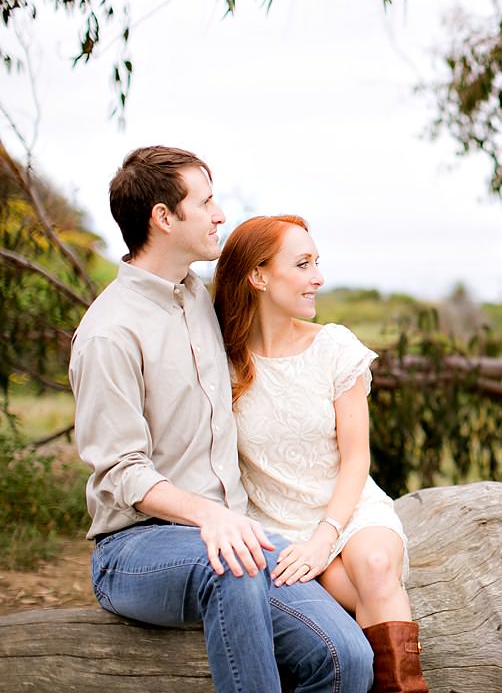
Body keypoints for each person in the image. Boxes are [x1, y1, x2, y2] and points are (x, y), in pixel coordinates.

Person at [70, 146, 374, 693]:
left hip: (239, 534)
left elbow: (276, 326)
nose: (219, 216)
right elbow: (119, 470)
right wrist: (209, 518)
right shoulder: (109, 333)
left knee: (346, 657)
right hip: (136, 548)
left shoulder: (199, 301)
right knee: (228, 567)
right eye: (206, 202)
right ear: (164, 218)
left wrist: (330, 349)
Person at [212, 214, 429, 693]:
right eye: (304, 264)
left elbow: (356, 459)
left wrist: (325, 536)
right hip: (280, 525)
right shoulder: (222, 362)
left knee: (373, 567)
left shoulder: (334, 346)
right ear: (259, 275)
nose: (319, 278)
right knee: (344, 590)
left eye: (318, 263)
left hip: (349, 512)